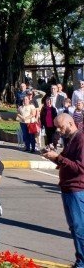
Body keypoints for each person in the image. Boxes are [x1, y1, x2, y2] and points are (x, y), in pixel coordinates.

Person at [42, 113, 84, 267]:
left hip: (76, 189)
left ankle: (82, 262)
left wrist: (58, 158)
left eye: (61, 126)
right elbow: (65, 161)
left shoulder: (80, 139)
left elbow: (80, 168)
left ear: (71, 123)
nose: (59, 130)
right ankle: (80, 259)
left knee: (79, 227)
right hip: (67, 188)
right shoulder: (71, 139)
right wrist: (51, 156)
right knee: (74, 227)